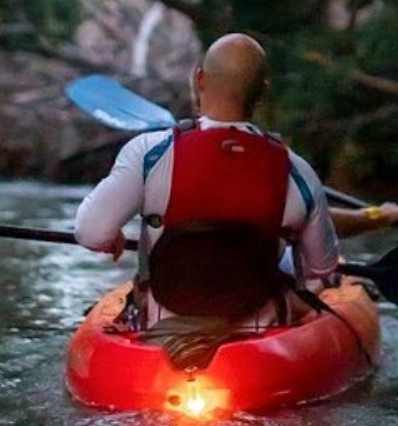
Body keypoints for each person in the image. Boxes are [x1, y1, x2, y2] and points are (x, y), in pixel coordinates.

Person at [74, 33, 343, 329]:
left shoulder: (148, 154)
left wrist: (110, 235)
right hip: (258, 329)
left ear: (200, 79)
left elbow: (90, 233)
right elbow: (322, 266)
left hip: (163, 327)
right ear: (262, 91)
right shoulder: (297, 171)